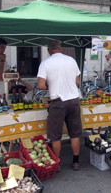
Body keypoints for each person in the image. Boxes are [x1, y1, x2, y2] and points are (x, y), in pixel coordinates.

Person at [37, 40, 82, 171]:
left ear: (48, 51)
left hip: (58, 102)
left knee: (56, 136)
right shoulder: (72, 60)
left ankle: (57, 163)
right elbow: (77, 81)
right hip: (74, 100)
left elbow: (40, 85)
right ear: (60, 49)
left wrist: (51, 86)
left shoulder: (45, 63)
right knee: (74, 134)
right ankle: (76, 161)